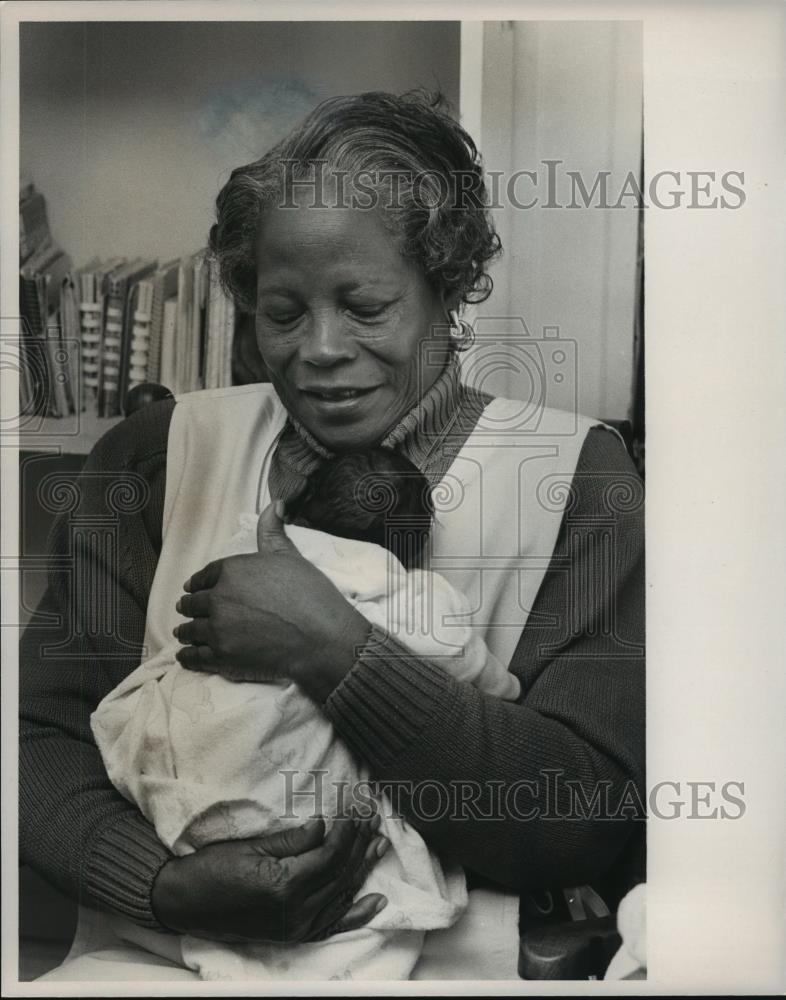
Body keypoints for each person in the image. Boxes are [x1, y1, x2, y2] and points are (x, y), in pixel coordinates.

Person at [19, 90, 645, 982]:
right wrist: (163, 882)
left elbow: (585, 819)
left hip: (456, 969)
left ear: (452, 283)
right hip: (163, 961)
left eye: (365, 306)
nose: (318, 348)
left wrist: (339, 653)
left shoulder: (577, 480)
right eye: (282, 312)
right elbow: (33, 737)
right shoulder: (154, 459)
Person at [89, 453, 519, 980]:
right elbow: (461, 655)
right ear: (414, 544)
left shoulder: (246, 547)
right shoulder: (410, 592)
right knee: (370, 873)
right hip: (290, 809)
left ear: (294, 507)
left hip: (184, 777)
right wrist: (506, 686)